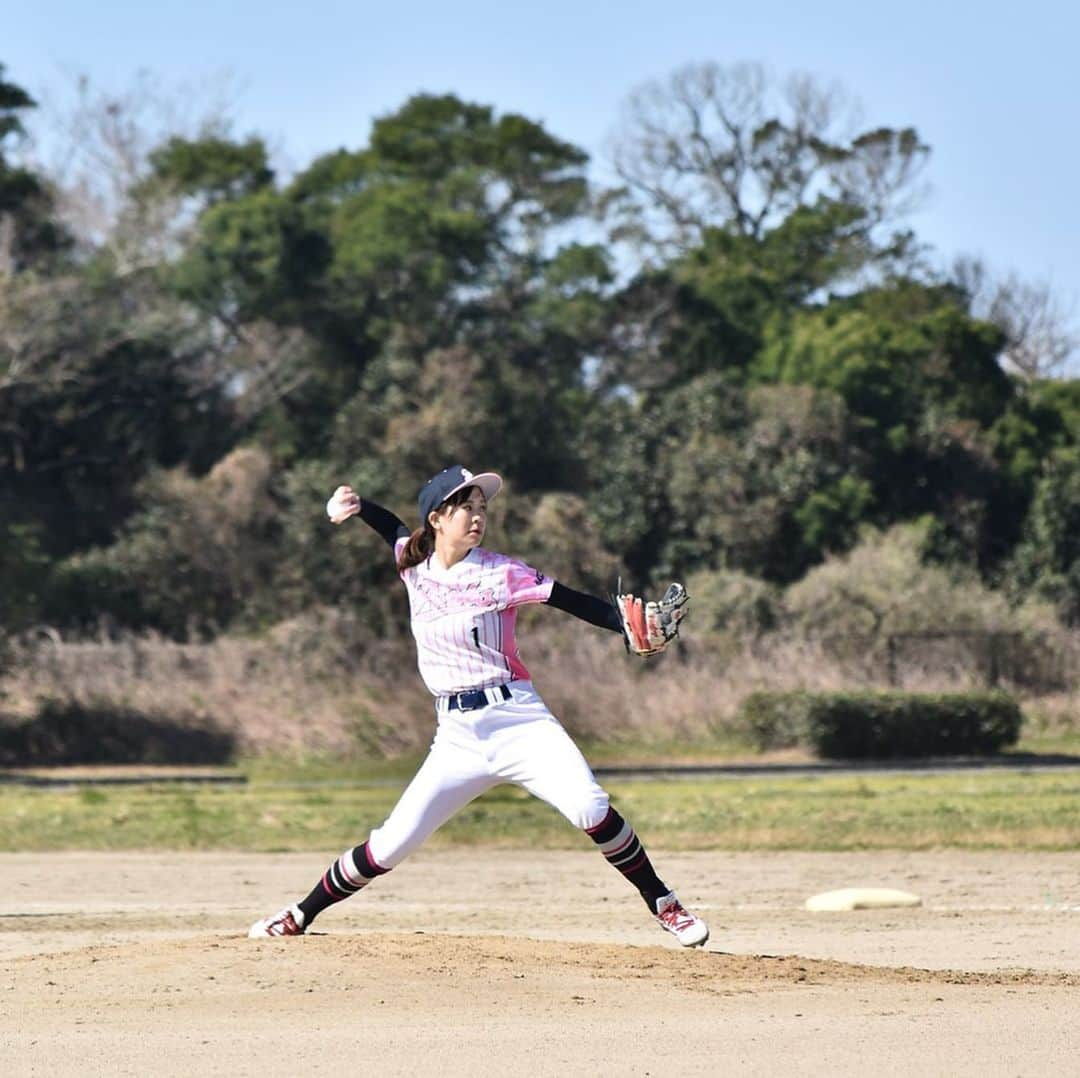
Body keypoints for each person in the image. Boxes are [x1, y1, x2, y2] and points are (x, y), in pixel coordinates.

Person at [248, 465, 708, 947]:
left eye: (482, 508)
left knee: (589, 806)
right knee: (389, 845)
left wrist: (622, 623)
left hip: (519, 720)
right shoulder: (412, 565)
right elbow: (394, 529)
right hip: (457, 736)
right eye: (465, 506)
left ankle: (664, 903)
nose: (477, 516)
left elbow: (570, 600)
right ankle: (299, 914)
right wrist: (359, 506)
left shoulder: (501, 571)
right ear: (437, 519)